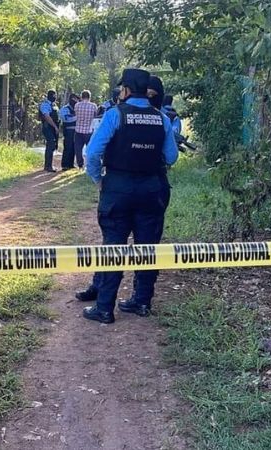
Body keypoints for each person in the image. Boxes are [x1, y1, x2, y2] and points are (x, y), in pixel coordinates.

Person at [79, 68, 178, 324]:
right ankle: (142, 301)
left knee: (113, 246)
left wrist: (98, 180)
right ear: (147, 91)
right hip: (151, 191)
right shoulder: (161, 118)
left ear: (125, 90)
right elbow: (171, 157)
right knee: (147, 248)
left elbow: (92, 154)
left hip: (117, 190)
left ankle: (104, 308)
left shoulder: (115, 115)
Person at [74, 90, 98, 169]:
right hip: (89, 130)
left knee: (78, 149)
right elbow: (95, 116)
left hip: (78, 130)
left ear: (81, 96)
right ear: (89, 97)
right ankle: (90, 164)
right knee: (90, 149)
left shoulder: (77, 105)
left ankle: (80, 165)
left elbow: (75, 114)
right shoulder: (93, 106)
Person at [38, 90, 60, 172]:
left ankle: (48, 165)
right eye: (54, 95)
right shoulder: (45, 105)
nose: (55, 97)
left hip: (54, 128)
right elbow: (47, 117)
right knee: (50, 144)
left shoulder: (54, 105)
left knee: (53, 146)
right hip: (48, 127)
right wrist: (54, 126)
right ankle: (48, 166)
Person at [60, 93, 79, 170]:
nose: (76, 101)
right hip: (68, 131)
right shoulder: (65, 109)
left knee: (74, 148)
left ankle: (71, 164)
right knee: (68, 147)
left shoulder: (77, 109)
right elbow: (67, 119)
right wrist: (78, 116)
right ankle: (65, 165)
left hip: (76, 131)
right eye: (74, 99)